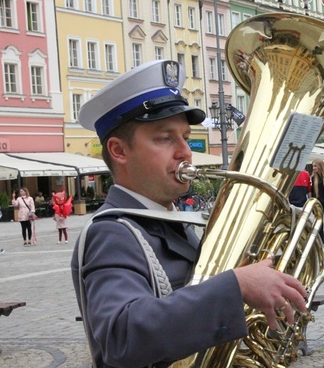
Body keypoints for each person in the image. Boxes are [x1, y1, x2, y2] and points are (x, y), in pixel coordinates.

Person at [71, 59, 306, 367]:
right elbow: (121, 335)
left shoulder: (172, 223)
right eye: (165, 138)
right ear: (119, 150)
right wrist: (236, 285)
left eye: (184, 136)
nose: (185, 151)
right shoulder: (113, 232)